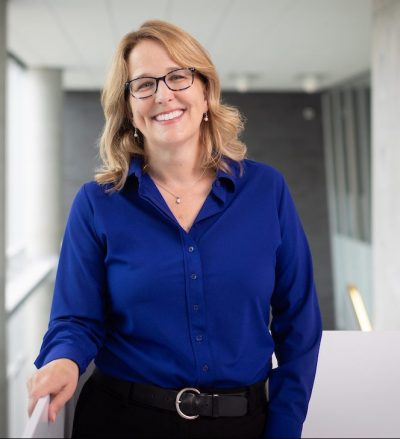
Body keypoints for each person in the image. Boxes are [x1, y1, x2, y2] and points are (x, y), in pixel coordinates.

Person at [27, 20, 322, 439]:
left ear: (205, 92)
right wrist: (62, 360)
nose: (163, 94)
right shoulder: (96, 204)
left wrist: (285, 425)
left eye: (178, 77)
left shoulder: (266, 190)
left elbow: (299, 322)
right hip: (119, 423)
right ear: (129, 108)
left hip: (243, 425)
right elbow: (76, 319)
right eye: (144, 84)